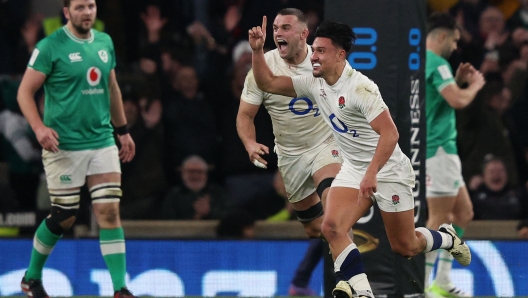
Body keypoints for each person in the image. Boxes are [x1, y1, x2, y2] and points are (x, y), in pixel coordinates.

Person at [248, 17, 472, 298]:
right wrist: (258, 51)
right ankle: (364, 292)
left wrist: (372, 173)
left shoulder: (360, 89)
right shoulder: (313, 83)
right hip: (354, 168)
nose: (313, 57)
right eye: (313, 50)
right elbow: (266, 81)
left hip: (387, 170)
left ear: (340, 55)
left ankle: (446, 237)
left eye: (321, 51)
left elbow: (390, 135)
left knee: (406, 246)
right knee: (331, 228)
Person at [16, 1, 137, 298]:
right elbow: (24, 92)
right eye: (80, 7)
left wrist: (122, 131)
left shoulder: (105, 42)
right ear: (67, 12)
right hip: (64, 146)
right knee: (64, 216)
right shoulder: (50, 46)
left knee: (108, 211)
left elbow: (112, 87)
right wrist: (39, 129)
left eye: (91, 6)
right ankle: (31, 278)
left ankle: (120, 288)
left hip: (101, 142)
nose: (87, 12)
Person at [237, 8, 342, 239]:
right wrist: (250, 143)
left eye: (286, 28)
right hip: (291, 154)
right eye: (275, 28)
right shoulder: (262, 67)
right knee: (315, 228)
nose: (278, 33)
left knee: (334, 212)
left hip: (325, 145)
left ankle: (351, 275)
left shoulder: (324, 61)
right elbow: (245, 115)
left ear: (304, 33)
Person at [424, 12, 486, 298]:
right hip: (438, 149)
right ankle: (423, 285)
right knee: (438, 218)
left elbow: (439, 100)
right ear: (442, 37)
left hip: (442, 149)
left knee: (463, 212)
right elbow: (457, 101)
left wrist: (458, 81)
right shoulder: (437, 63)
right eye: (455, 41)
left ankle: (443, 280)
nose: (456, 47)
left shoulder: (424, 62)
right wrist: (473, 86)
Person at [161, 155, 230, 220]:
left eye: (199, 172)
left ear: (206, 174)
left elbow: (232, 215)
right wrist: (195, 218)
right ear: (183, 173)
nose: (195, 175)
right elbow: (166, 219)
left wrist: (210, 212)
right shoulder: (173, 195)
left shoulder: (218, 192)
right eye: (191, 171)